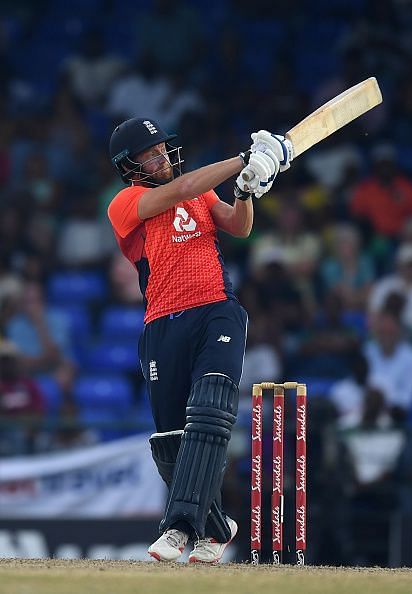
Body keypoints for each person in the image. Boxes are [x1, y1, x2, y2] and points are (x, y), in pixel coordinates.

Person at [107, 117, 292, 563]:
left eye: (163, 149)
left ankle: (179, 525)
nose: (161, 158)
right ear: (131, 166)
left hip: (215, 309)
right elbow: (178, 191)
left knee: (210, 410)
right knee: (171, 440)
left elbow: (239, 225)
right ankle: (215, 525)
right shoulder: (127, 202)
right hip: (162, 324)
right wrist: (243, 160)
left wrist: (246, 190)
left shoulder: (201, 192)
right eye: (150, 154)